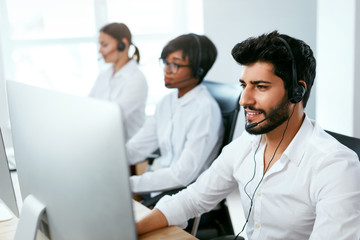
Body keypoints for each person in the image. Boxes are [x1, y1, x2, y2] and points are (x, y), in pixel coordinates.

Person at [136, 31, 360, 239]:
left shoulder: (335, 166)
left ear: (296, 92)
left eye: (260, 87)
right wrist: (131, 230)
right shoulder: (247, 144)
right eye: (244, 85)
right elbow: (192, 199)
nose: (244, 99)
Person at [126, 33, 224, 196]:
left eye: (175, 65)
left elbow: (182, 175)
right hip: (161, 192)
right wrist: (107, 163)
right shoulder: (167, 102)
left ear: (198, 70)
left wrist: (128, 184)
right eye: (165, 62)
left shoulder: (204, 111)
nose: (167, 70)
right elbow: (138, 147)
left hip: (187, 198)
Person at [89, 22, 148, 141]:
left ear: (123, 44)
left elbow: (113, 117)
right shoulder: (104, 75)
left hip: (128, 148)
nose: (100, 51)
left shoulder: (136, 79)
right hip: (105, 142)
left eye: (104, 45)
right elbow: (89, 105)